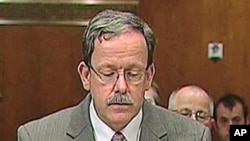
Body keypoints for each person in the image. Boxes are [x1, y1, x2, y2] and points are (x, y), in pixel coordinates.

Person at [17, 9, 211, 141]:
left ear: (149, 77)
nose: (121, 86)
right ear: (86, 76)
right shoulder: (38, 137)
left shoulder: (192, 136)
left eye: (133, 74)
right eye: (108, 73)